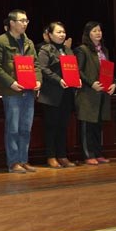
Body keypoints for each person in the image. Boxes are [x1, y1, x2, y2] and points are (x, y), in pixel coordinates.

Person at [0, 9, 41, 174]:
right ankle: (13, 162)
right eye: (22, 21)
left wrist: (38, 81)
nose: (25, 24)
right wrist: (11, 82)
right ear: (12, 23)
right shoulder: (0, 41)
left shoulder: (29, 42)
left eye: (27, 21)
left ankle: (23, 160)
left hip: (29, 90)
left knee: (26, 127)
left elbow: (36, 65)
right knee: (13, 128)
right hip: (12, 91)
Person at [75, 21, 116, 165]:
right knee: (87, 126)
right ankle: (88, 155)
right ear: (88, 34)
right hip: (87, 94)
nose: (98, 33)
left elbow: (109, 71)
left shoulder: (104, 50)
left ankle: (98, 153)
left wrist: (114, 83)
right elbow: (78, 71)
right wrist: (91, 83)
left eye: (99, 30)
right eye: (94, 31)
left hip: (102, 94)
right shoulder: (82, 50)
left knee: (98, 126)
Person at [37, 22, 77, 168]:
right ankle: (51, 156)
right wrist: (58, 80)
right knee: (51, 126)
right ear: (50, 34)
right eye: (58, 32)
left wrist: (76, 79)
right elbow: (43, 69)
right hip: (51, 94)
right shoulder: (45, 49)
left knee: (63, 126)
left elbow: (73, 68)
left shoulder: (68, 50)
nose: (62, 35)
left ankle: (62, 155)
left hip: (66, 94)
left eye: (63, 32)